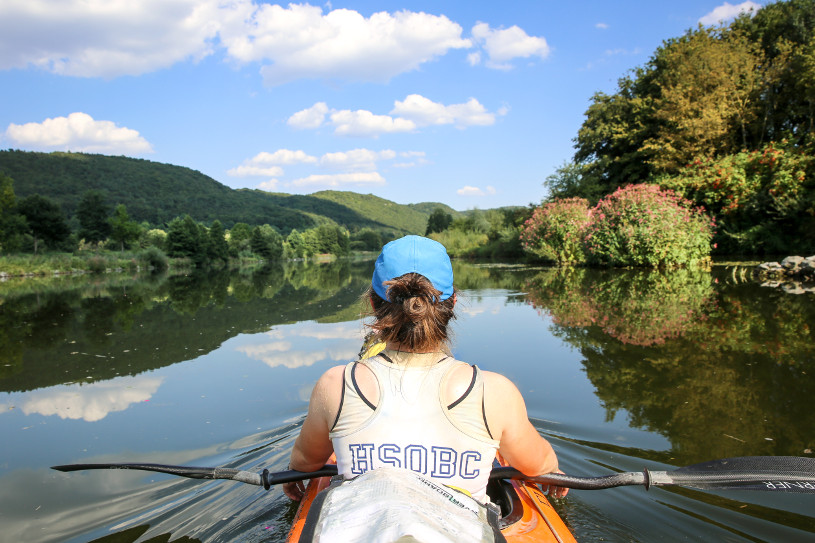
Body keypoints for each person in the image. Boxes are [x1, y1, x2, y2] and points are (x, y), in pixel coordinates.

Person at [283, 235, 567, 504]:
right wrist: (554, 471)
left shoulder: (336, 384)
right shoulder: (494, 392)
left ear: (373, 304)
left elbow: (305, 463)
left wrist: (293, 473)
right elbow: (540, 466)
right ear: (453, 303)